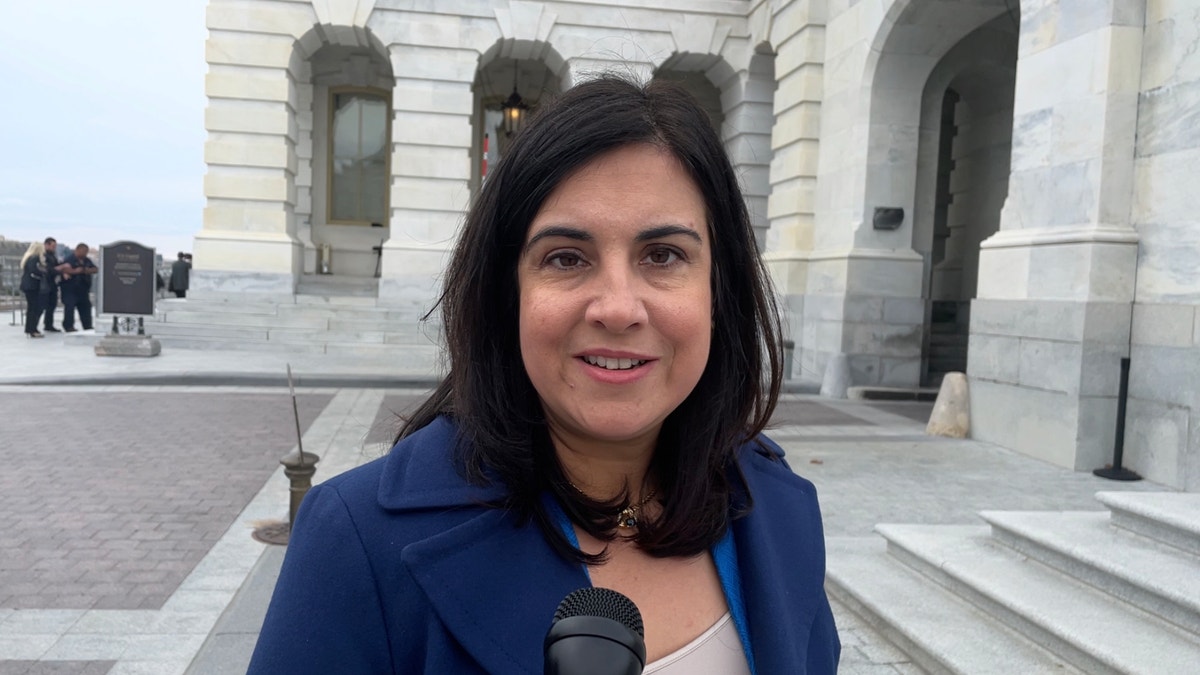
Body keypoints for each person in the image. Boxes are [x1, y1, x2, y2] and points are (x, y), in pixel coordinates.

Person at [249, 76, 840, 674]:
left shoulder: (778, 508)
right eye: (566, 257)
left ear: (719, 290)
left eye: (662, 255)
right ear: (509, 293)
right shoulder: (355, 544)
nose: (617, 307)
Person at [60, 243, 97, 332]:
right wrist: (76, 271)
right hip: (70, 289)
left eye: (86, 252)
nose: (84, 254)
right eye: (83, 252)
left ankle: (87, 326)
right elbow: (64, 269)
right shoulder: (69, 259)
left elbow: (95, 269)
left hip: (83, 289)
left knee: (86, 307)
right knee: (70, 307)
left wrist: (86, 270)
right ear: (77, 250)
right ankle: (69, 326)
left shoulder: (87, 260)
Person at [18, 241, 47, 338]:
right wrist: (43, 272)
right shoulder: (35, 258)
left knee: (32, 308)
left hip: (28, 285)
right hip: (32, 286)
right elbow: (34, 270)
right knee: (34, 308)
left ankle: (30, 329)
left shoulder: (28, 257)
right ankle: (32, 329)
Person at [40, 237, 66, 332]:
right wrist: (59, 269)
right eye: (52, 246)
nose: (54, 248)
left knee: (52, 305)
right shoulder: (44, 256)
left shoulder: (53, 256)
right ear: (46, 245)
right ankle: (46, 324)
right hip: (47, 283)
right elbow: (49, 270)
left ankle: (49, 324)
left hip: (53, 284)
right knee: (45, 305)